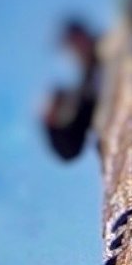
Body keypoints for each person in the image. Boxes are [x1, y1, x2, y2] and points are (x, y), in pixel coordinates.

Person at [41, 17, 100, 162]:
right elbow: (70, 150)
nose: (74, 51)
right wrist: (51, 123)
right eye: (70, 47)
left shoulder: (114, 48)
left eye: (74, 42)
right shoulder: (85, 92)